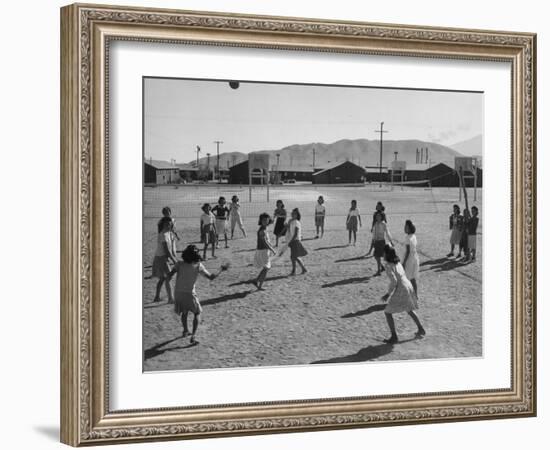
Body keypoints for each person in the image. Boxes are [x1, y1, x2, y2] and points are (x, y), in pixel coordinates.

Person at [170, 245, 219, 344]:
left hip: (178, 293)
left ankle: (185, 331)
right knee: (197, 313)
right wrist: (219, 271)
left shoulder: (179, 264)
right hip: (189, 293)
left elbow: (170, 274)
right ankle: (193, 336)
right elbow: (210, 277)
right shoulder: (198, 266)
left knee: (184, 312)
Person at [381, 245, 426, 344]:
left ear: (387, 254)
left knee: (388, 312)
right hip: (408, 285)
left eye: (384, 252)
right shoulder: (398, 263)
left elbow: (394, 281)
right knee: (409, 309)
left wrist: (388, 294)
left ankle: (394, 336)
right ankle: (421, 328)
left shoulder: (388, 266)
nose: (382, 254)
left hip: (401, 288)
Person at [152, 217, 177, 303]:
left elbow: (171, 249)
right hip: (161, 258)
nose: (169, 225)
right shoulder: (163, 234)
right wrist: (174, 261)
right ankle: (170, 298)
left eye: (170, 224)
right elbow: (166, 250)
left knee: (163, 278)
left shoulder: (169, 233)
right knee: (169, 277)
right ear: (163, 224)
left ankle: (157, 297)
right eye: (167, 224)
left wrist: (174, 257)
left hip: (163, 257)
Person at [253, 213, 277, 290]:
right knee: (266, 268)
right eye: (263, 220)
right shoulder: (262, 230)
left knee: (265, 268)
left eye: (266, 220)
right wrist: (272, 249)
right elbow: (264, 242)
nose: (265, 221)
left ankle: (256, 281)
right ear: (261, 220)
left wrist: (275, 216)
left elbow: (271, 221)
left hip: (264, 251)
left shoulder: (265, 227)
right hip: (262, 251)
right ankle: (259, 286)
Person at [372, 211, 394, 276]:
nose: (377, 217)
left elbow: (387, 233)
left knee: (380, 256)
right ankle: (381, 268)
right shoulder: (375, 224)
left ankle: (379, 270)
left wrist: (391, 241)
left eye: (379, 216)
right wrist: (373, 241)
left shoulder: (383, 224)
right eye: (377, 216)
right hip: (376, 242)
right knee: (376, 256)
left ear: (382, 217)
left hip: (381, 242)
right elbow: (374, 233)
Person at [287, 208, 308, 275]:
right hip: (293, 240)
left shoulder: (296, 222)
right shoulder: (292, 221)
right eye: (292, 213)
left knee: (294, 256)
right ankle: (303, 269)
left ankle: (294, 270)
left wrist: (291, 241)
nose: (292, 214)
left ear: (297, 215)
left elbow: (296, 233)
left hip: (295, 240)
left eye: (294, 213)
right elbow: (289, 230)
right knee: (294, 256)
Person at [402, 220, 420, 295]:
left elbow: (408, 251)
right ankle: (415, 294)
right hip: (415, 257)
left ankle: (409, 294)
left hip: (409, 259)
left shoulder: (407, 238)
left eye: (407, 227)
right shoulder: (413, 236)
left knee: (408, 277)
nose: (405, 228)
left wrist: (404, 262)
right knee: (412, 277)